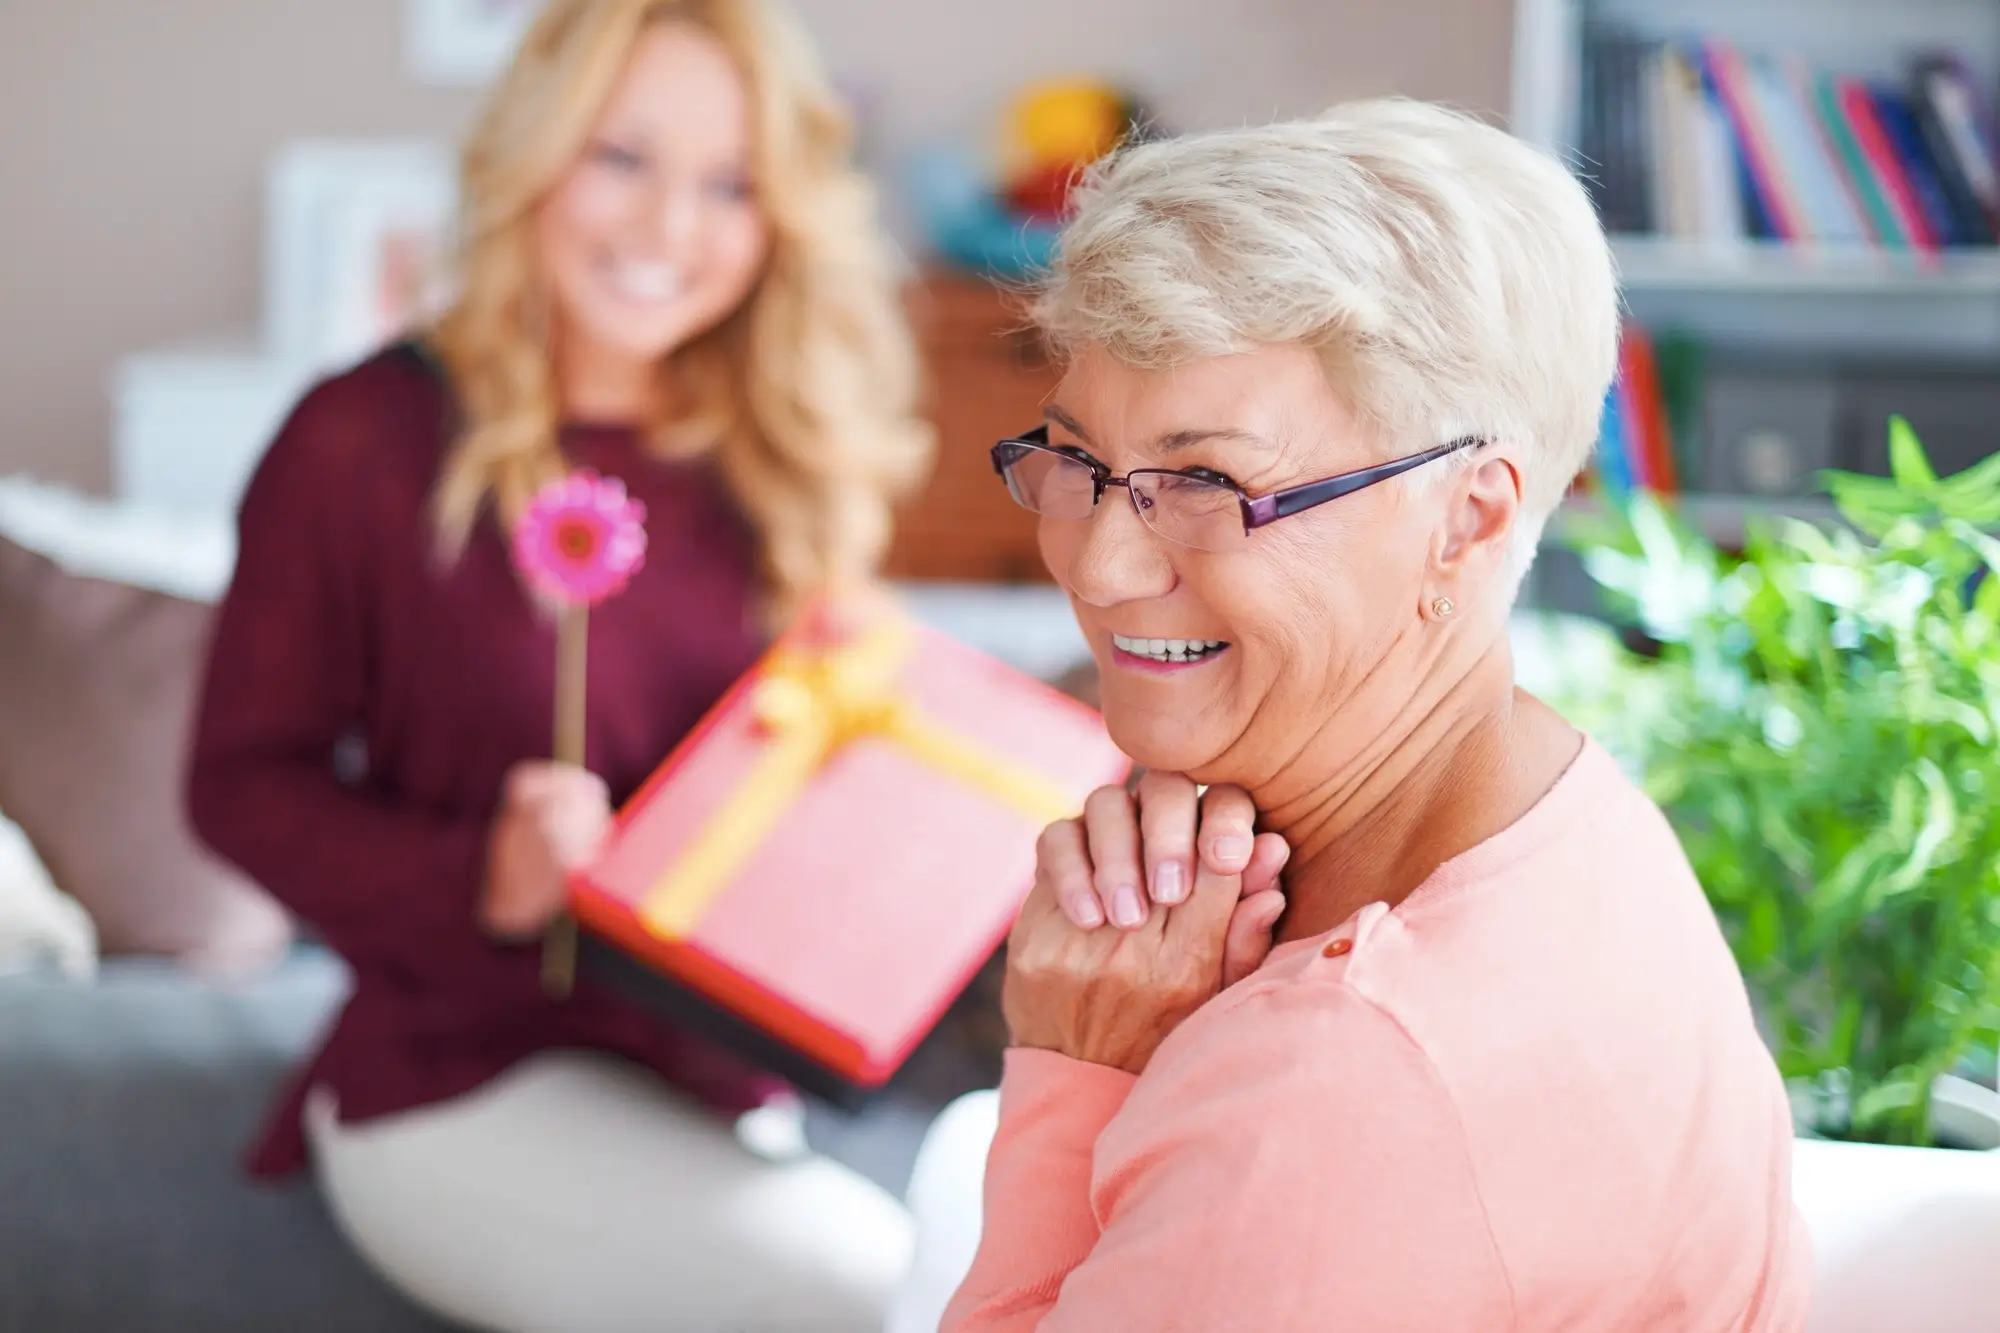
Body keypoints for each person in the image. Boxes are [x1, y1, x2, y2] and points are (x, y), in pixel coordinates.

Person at [929, 100, 1812, 1331]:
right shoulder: (1558, 800)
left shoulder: (1333, 1086)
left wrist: (1077, 1069)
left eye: (1206, 482)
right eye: (1077, 462)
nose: (1098, 568)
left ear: (1470, 516)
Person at [186, 2, 928, 1329]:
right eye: (623, 158)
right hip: (454, 1081)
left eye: (731, 185)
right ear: (533, 152)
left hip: (720, 1090)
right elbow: (240, 783)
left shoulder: (783, 461)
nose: (667, 232)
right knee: (867, 1285)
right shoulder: (360, 441)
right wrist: (487, 874)